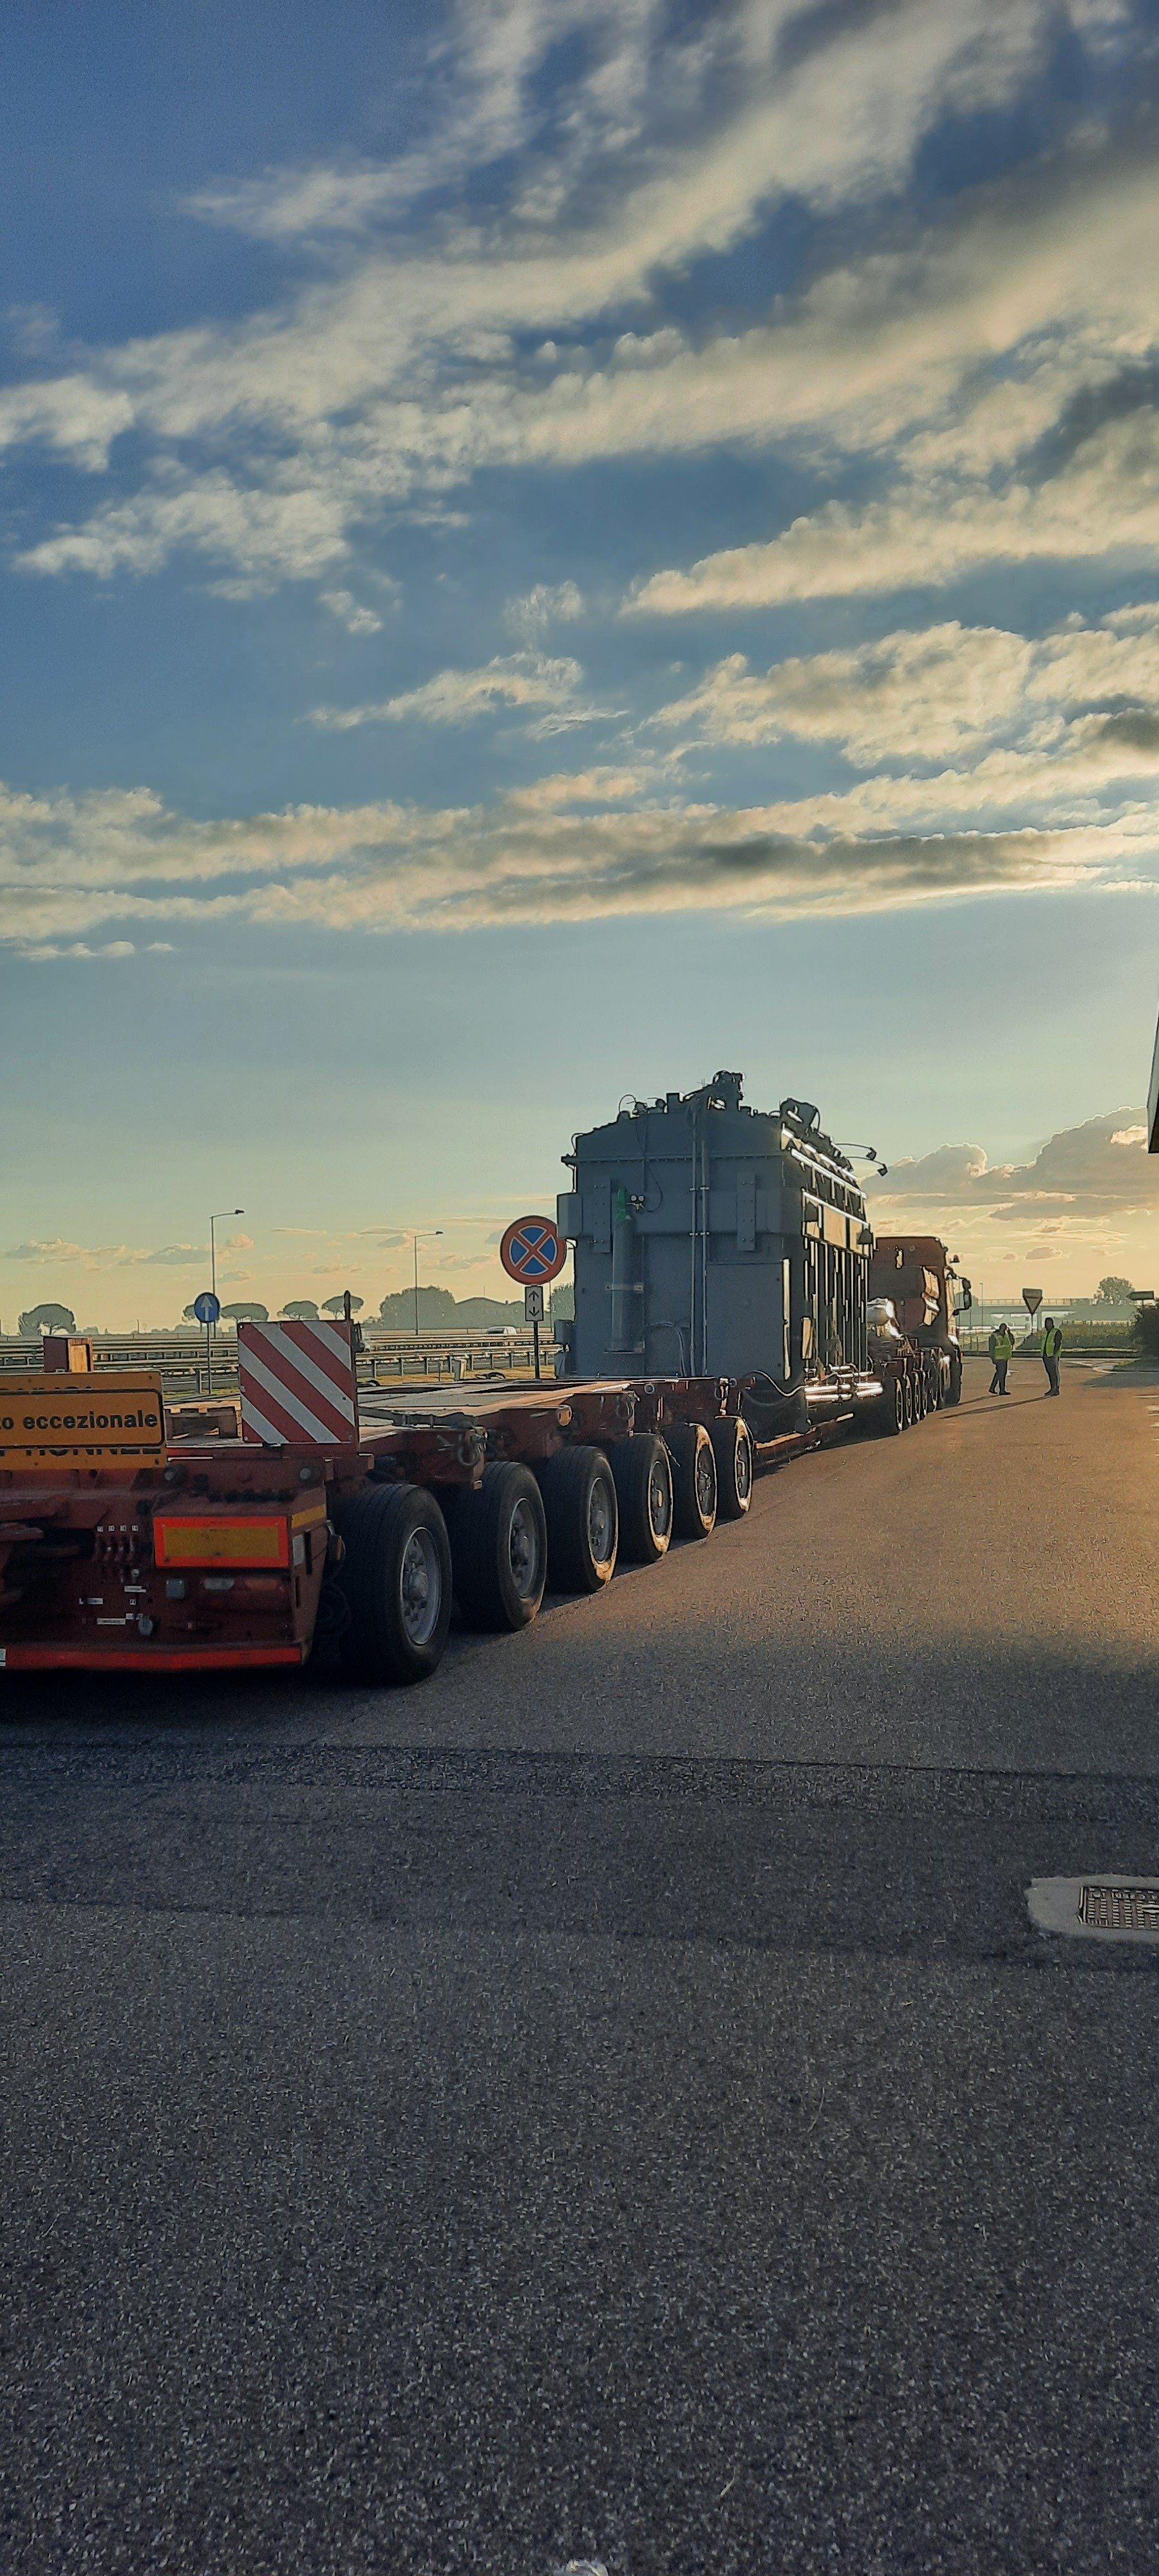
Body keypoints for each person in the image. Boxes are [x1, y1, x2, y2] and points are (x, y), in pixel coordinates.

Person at [988, 1321, 1014, 1395]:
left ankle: (993, 1388)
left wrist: (1010, 1333)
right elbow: (991, 1348)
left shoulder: (1007, 1335)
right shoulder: (995, 1336)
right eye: (1003, 1328)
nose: (1004, 1329)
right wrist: (993, 1358)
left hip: (1005, 1357)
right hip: (998, 1358)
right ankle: (1002, 1390)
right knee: (1001, 1373)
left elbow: (1012, 1342)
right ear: (1000, 1328)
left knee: (1000, 1373)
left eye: (1005, 1328)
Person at [1042, 1316, 1063, 1396]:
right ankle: (1052, 1388)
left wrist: (1054, 1353)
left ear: (1052, 1323)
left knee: (1054, 1373)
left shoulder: (1056, 1332)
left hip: (1053, 1356)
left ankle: (1056, 1389)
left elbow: (1058, 1343)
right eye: (1047, 1323)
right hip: (1046, 1355)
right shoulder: (1047, 1333)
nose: (1048, 1325)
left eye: (1049, 1323)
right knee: (1050, 1373)